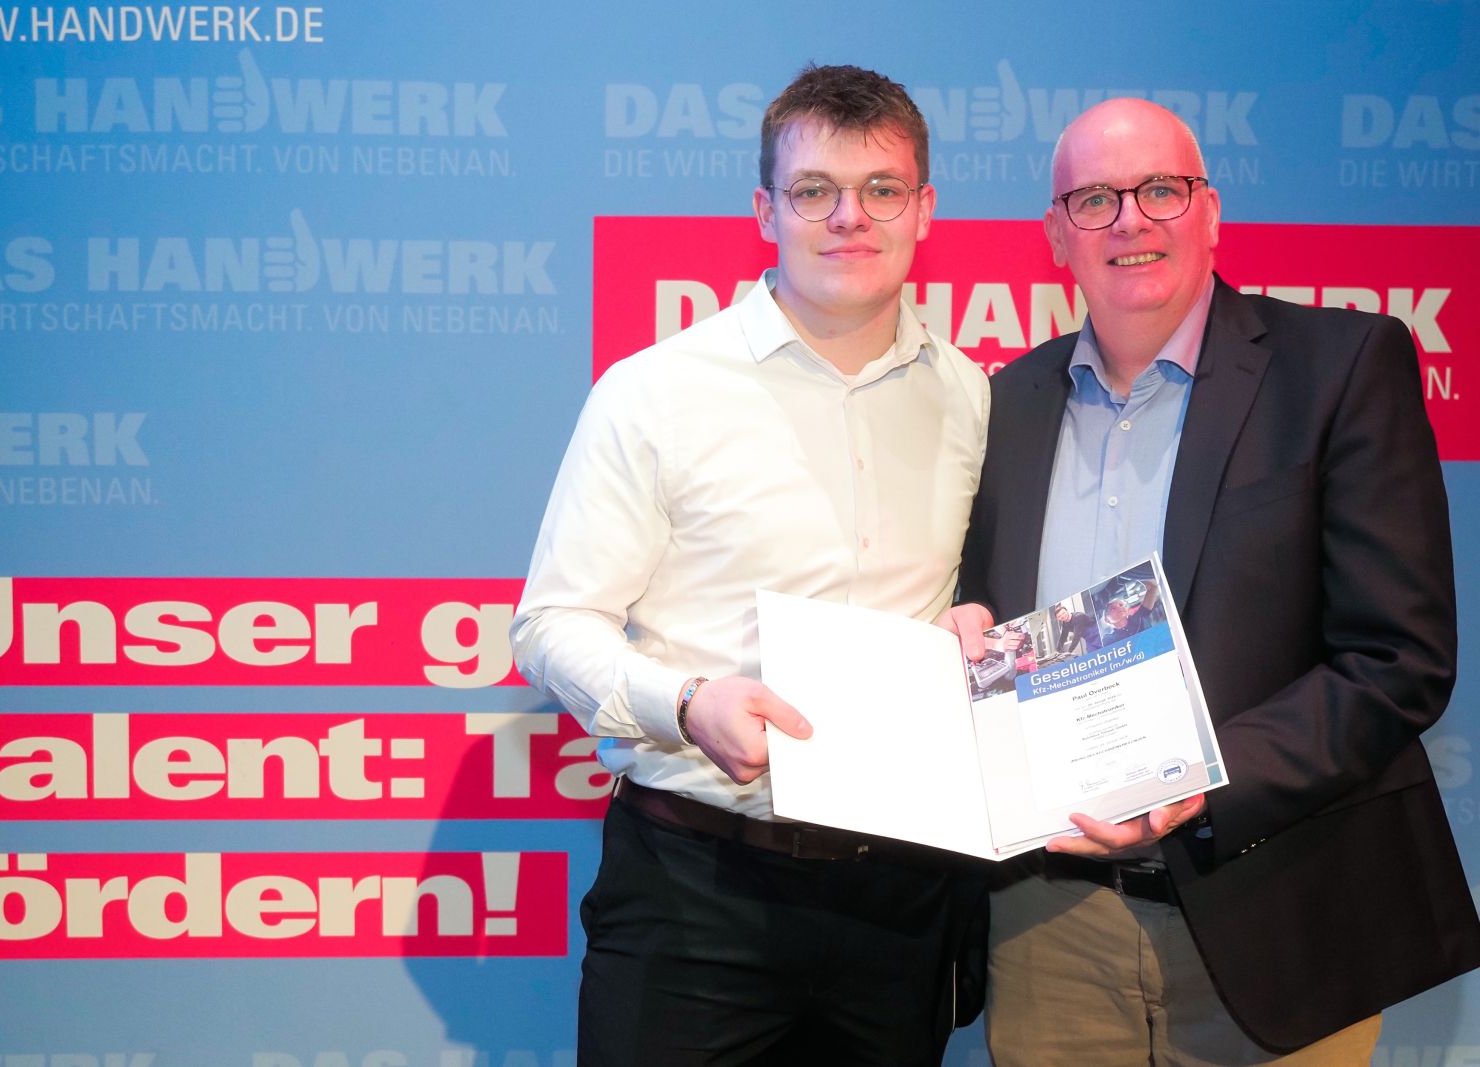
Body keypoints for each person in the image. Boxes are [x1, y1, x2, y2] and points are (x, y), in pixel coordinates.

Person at [951, 97, 1480, 1064]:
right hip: (1048, 930)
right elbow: (982, 625)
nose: (1130, 220)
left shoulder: (1342, 365)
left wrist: (1195, 782)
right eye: (1095, 199)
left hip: (1280, 909)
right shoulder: (1004, 404)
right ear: (1056, 235)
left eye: (1161, 189)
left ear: (1210, 211)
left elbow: (1399, 658)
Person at [511, 64, 990, 1066]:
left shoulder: (973, 398)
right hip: (695, 890)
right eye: (815, 190)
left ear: (924, 209)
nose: (849, 217)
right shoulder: (655, 391)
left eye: (881, 189)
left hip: (900, 905)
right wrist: (688, 703)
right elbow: (551, 625)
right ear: (766, 211)